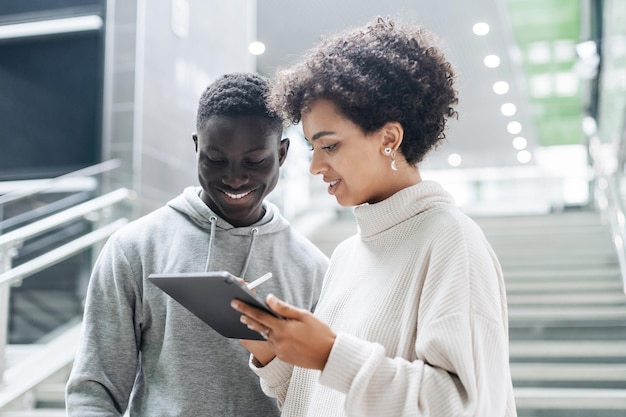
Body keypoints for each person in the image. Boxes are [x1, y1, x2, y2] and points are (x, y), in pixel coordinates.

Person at [231, 18, 517, 417]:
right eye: (312, 147)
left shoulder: (451, 241)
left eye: (328, 146)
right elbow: (322, 401)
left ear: (389, 139)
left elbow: (461, 404)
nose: (315, 166)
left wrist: (331, 354)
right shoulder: (349, 254)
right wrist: (272, 349)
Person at [65, 73, 329, 416]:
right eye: (216, 160)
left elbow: (321, 398)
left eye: (254, 161)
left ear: (281, 154)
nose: (235, 178)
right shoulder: (135, 249)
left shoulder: (313, 268)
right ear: (196, 147)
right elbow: (94, 390)